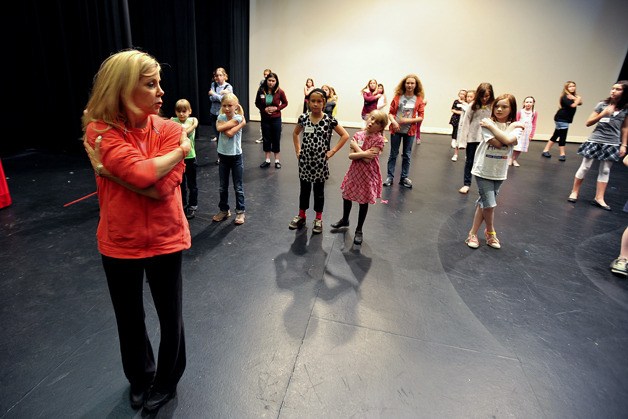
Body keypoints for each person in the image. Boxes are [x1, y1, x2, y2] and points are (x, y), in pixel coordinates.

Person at [81, 49, 190, 413]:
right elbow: (146, 175)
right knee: (129, 318)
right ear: (125, 88)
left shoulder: (170, 128)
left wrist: (111, 173)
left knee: (170, 315)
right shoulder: (100, 132)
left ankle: (167, 382)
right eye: (150, 84)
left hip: (166, 237)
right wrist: (180, 153)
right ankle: (141, 378)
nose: (161, 91)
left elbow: (158, 187)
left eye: (160, 82)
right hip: (119, 241)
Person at [465, 94, 523, 249]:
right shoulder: (487, 123)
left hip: (500, 171)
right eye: (497, 106)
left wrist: (508, 129)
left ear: (511, 109)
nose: (499, 109)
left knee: (484, 203)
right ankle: (491, 233)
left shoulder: (515, 127)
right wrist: (494, 127)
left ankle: (472, 233)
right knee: (490, 204)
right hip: (483, 169)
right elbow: (498, 143)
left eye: (504, 106)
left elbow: (509, 141)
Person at [289, 88, 350, 233]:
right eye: (313, 101)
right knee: (304, 190)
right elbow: (296, 133)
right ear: (308, 102)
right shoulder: (303, 118)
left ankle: (318, 218)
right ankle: (301, 215)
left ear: (324, 103)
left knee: (319, 192)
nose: (315, 104)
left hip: (320, 162)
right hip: (305, 162)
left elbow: (345, 135)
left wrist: (332, 151)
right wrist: (298, 150)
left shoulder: (329, 120)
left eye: (319, 101)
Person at [567, 81, 628, 211]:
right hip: (595, 140)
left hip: (612, 142)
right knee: (585, 166)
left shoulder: (625, 109)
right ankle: (574, 192)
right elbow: (588, 122)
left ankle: (599, 198)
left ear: (624, 92)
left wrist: (624, 145)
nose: (613, 91)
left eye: (617, 89)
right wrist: (603, 114)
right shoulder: (602, 105)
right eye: (612, 88)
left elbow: (625, 127)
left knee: (605, 170)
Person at [331, 110, 387, 245]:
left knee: (363, 202)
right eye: (372, 118)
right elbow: (351, 156)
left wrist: (355, 147)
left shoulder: (379, 140)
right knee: (346, 195)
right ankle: (345, 219)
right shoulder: (358, 134)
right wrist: (363, 153)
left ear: (381, 127)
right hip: (354, 171)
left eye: (377, 122)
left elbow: (368, 160)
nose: (372, 123)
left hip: (368, 174)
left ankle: (359, 229)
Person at [383, 74, 425, 189]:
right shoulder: (398, 97)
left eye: (412, 83)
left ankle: (404, 177)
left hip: (409, 131)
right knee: (393, 154)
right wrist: (394, 122)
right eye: (408, 83)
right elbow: (390, 113)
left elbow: (421, 116)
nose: (410, 85)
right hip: (396, 129)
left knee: (407, 155)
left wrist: (408, 120)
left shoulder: (418, 99)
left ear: (416, 85)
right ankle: (390, 177)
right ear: (404, 84)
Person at [213, 93, 247, 225]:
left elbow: (230, 132)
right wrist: (241, 124)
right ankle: (224, 210)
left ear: (236, 106)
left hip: (236, 156)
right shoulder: (221, 117)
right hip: (223, 156)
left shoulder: (238, 117)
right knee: (223, 186)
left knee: (238, 186)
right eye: (224, 106)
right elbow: (220, 128)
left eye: (230, 106)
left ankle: (240, 211)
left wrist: (240, 123)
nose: (227, 108)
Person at [457, 82, 495, 194]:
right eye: (482, 96)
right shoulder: (473, 105)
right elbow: (465, 123)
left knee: (485, 162)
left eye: (487, 96)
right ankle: (466, 184)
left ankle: (484, 186)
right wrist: (462, 142)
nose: (484, 98)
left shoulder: (493, 106)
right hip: (472, 138)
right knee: (470, 161)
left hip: (487, 139)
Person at [171, 99, 199, 219]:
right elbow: (180, 133)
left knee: (192, 184)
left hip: (190, 157)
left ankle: (192, 205)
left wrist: (193, 124)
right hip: (179, 158)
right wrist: (193, 125)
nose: (181, 114)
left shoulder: (192, 120)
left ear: (189, 111)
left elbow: (184, 133)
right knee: (181, 183)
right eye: (179, 111)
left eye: (184, 111)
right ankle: (182, 205)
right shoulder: (173, 121)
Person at [541, 81, 582, 161]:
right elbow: (573, 105)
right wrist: (578, 98)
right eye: (570, 86)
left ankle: (546, 150)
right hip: (561, 118)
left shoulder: (572, 96)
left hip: (564, 119)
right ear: (566, 88)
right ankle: (562, 154)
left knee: (556, 135)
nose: (572, 88)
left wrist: (575, 98)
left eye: (573, 86)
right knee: (563, 136)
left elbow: (580, 103)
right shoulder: (565, 96)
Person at [255, 72, 288, 169]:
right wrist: (263, 109)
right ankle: (267, 160)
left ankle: (277, 161)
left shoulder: (280, 91)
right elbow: (257, 103)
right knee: (266, 138)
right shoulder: (261, 91)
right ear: (266, 81)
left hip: (276, 119)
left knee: (276, 138)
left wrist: (276, 109)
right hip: (265, 119)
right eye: (269, 80)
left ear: (276, 81)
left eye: (273, 81)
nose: (271, 82)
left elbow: (285, 103)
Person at [208, 67, 233, 142]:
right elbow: (211, 98)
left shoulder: (228, 87)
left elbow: (224, 100)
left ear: (224, 76)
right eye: (217, 75)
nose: (218, 77)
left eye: (220, 75)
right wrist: (219, 94)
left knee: (224, 135)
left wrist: (214, 94)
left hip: (222, 113)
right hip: (213, 113)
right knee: (217, 134)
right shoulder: (213, 85)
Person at [511, 96, 538, 167]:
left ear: (533, 103)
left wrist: (531, 134)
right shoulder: (520, 112)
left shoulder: (534, 113)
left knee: (520, 147)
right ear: (524, 103)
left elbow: (534, 123)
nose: (528, 104)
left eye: (530, 102)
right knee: (515, 146)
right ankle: (510, 159)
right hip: (519, 131)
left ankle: (514, 159)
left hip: (526, 132)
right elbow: (515, 121)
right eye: (527, 102)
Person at [452, 90, 475, 162]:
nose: (469, 98)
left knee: (469, 141)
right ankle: (455, 154)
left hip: (470, 127)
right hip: (462, 125)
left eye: (471, 97)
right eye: (467, 96)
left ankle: (467, 155)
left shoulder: (474, 106)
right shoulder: (464, 104)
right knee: (458, 139)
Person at [256, 68, 272, 144]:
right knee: (263, 122)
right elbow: (260, 92)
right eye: (264, 74)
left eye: (267, 74)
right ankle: (263, 137)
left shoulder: (273, 82)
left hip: (271, 106)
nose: (266, 76)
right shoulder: (262, 82)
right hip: (263, 105)